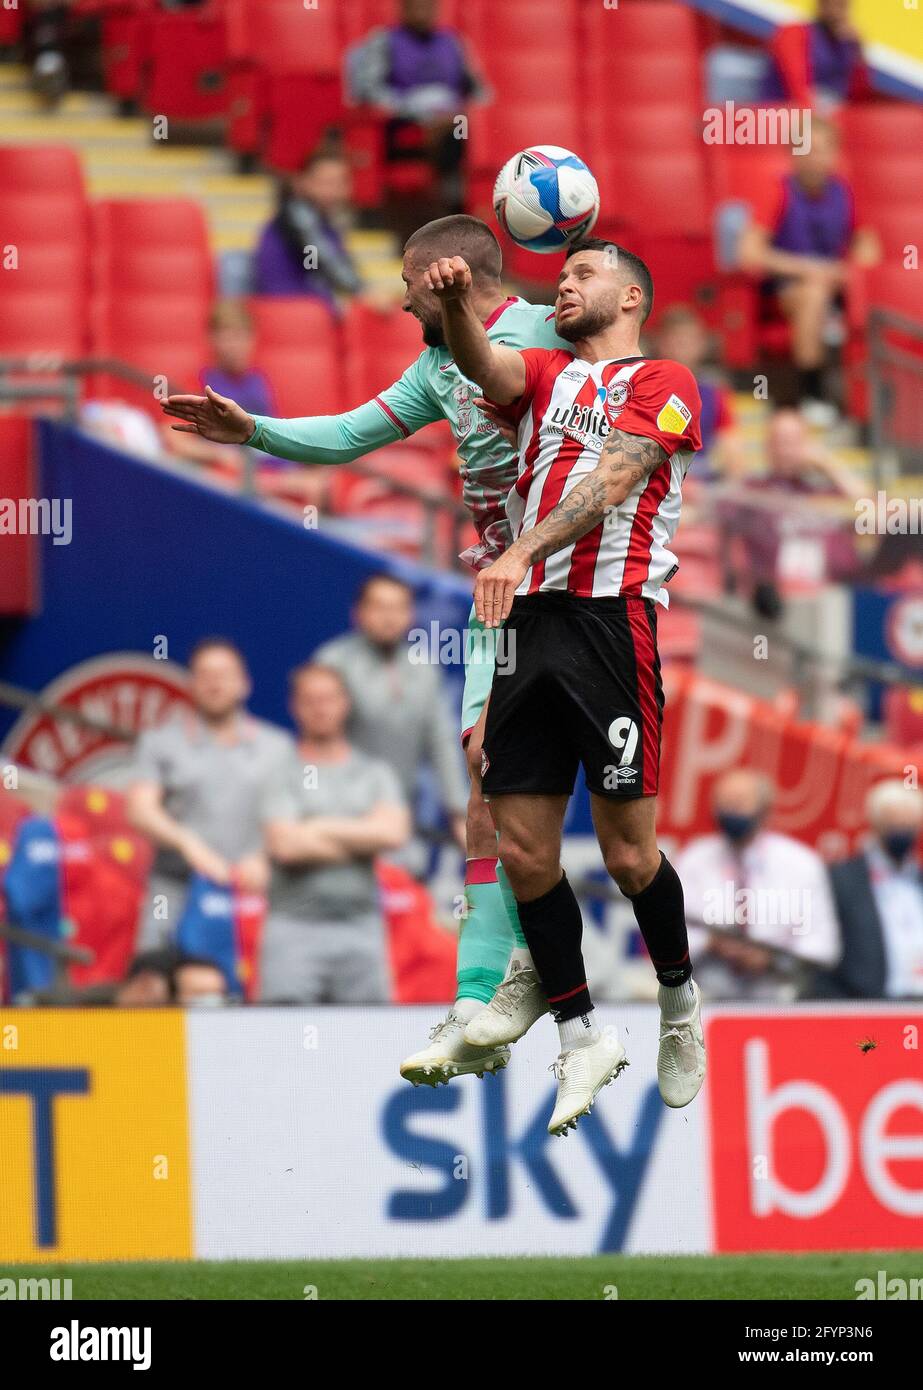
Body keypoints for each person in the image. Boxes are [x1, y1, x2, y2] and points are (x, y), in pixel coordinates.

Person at [161, 213, 568, 1083]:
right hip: (498, 600)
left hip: (577, 592)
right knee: (483, 780)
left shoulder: (546, 330)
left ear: (443, 275)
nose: (396, 296)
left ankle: (588, 995)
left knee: (601, 826)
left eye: (405, 280)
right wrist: (252, 433)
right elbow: (347, 433)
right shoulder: (435, 370)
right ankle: (475, 998)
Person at [425, 238, 706, 1135]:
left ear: (630, 296)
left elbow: (615, 474)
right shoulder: (544, 373)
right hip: (526, 628)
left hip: (608, 622)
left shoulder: (664, 381)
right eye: (563, 271)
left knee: (626, 856)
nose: (565, 281)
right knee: (523, 852)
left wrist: (517, 550)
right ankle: (582, 1034)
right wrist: (458, 301)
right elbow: (484, 360)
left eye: (584, 273)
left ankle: (677, 1006)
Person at [259, 663, 411, 1005]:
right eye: (310, 700)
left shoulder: (374, 772)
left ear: (345, 704)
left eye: (328, 698)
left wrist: (316, 827)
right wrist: (362, 839)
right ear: (294, 707)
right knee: (283, 1039)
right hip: (292, 929)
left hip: (361, 927)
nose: (320, 707)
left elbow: (393, 834)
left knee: (367, 1040)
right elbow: (285, 846)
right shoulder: (280, 773)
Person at [127, 638, 293, 948]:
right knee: (151, 979)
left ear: (244, 684)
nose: (215, 684)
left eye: (224, 675)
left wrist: (264, 857)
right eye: (205, 675)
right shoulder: (160, 742)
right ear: (191, 683)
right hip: (175, 888)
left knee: (255, 984)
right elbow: (140, 809)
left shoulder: (278, 746)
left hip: (252, 888)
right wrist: (188, 843)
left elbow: (292, 814)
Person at [313, 572, 468, 870]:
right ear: (358, 612)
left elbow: (441, 743)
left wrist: (458, 811)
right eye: (379, 607)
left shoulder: (424, 669)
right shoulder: (332, 662)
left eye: (398, 608)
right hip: (337, 816)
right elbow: (317, 744)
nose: (389, 617)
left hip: (401, 819)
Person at [737, 118, 879, 408]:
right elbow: (749, 253)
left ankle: (869, 399)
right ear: (793, 153)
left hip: (836, 284)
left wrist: (849, 270)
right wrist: (808, 269)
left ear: (835, 154)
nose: (816, 158)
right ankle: (813, 393)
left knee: (868, 293)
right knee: (813, 293)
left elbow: (868, 245)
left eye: (823, 150)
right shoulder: (777, 190)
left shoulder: (845, 191)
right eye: (808, 150)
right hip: (787, 288)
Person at [676, 769, 840, 1001]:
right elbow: (672, 935)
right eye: (724, 805)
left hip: (780, 994)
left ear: (764, 810)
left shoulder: (801, 863)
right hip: (706, 993)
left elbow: (822, 945)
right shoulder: (694, 859)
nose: (730, 813)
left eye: (739, 804)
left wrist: (771, 957)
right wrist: (712, 943)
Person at [345, 0, 487, 228]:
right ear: (403, 9)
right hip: (405, 122)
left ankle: (460, 201)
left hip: (453, 118)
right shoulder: (384, 41)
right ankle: (450, 204)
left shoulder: (453, 42)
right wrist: (411, 111)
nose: (423, 11)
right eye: (416, 6)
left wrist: (461, 111)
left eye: (428, 6)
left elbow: (480, 92)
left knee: (465, 130)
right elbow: (369, 90)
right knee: (447, 133)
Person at [814, 781, 923, 1000]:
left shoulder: (917, 880)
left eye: (909, 824)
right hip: (869, 1004)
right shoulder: (842, 880)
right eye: (893, 823)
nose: (902, 832)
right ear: (875, 823)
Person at [253, 150, 362, 308]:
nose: (333, 191)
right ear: (301, 182)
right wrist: (361, 289)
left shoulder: (327, 225)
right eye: (325, 182)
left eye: (340, 182)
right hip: (287, 309)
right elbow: (318, 259)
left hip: (307, 308)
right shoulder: (298, 217)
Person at [655, 305, 746, 483]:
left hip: (702, 487)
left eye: (688, 341)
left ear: (701, 345)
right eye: (676, 341)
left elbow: (733, 450)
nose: (682, 348)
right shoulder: (644, 390)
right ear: (661, 344)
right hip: (659, 486)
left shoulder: (714, 394)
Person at [763, 0, 872, 109]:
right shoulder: (793, 33)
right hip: (784, 114)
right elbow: (797, 87)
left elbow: (858, 98)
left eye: (842, 4)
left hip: (831, 114)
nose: (836, 10)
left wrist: (858, 50)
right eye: (831, 3)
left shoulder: (847, 44)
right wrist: (815, 116)